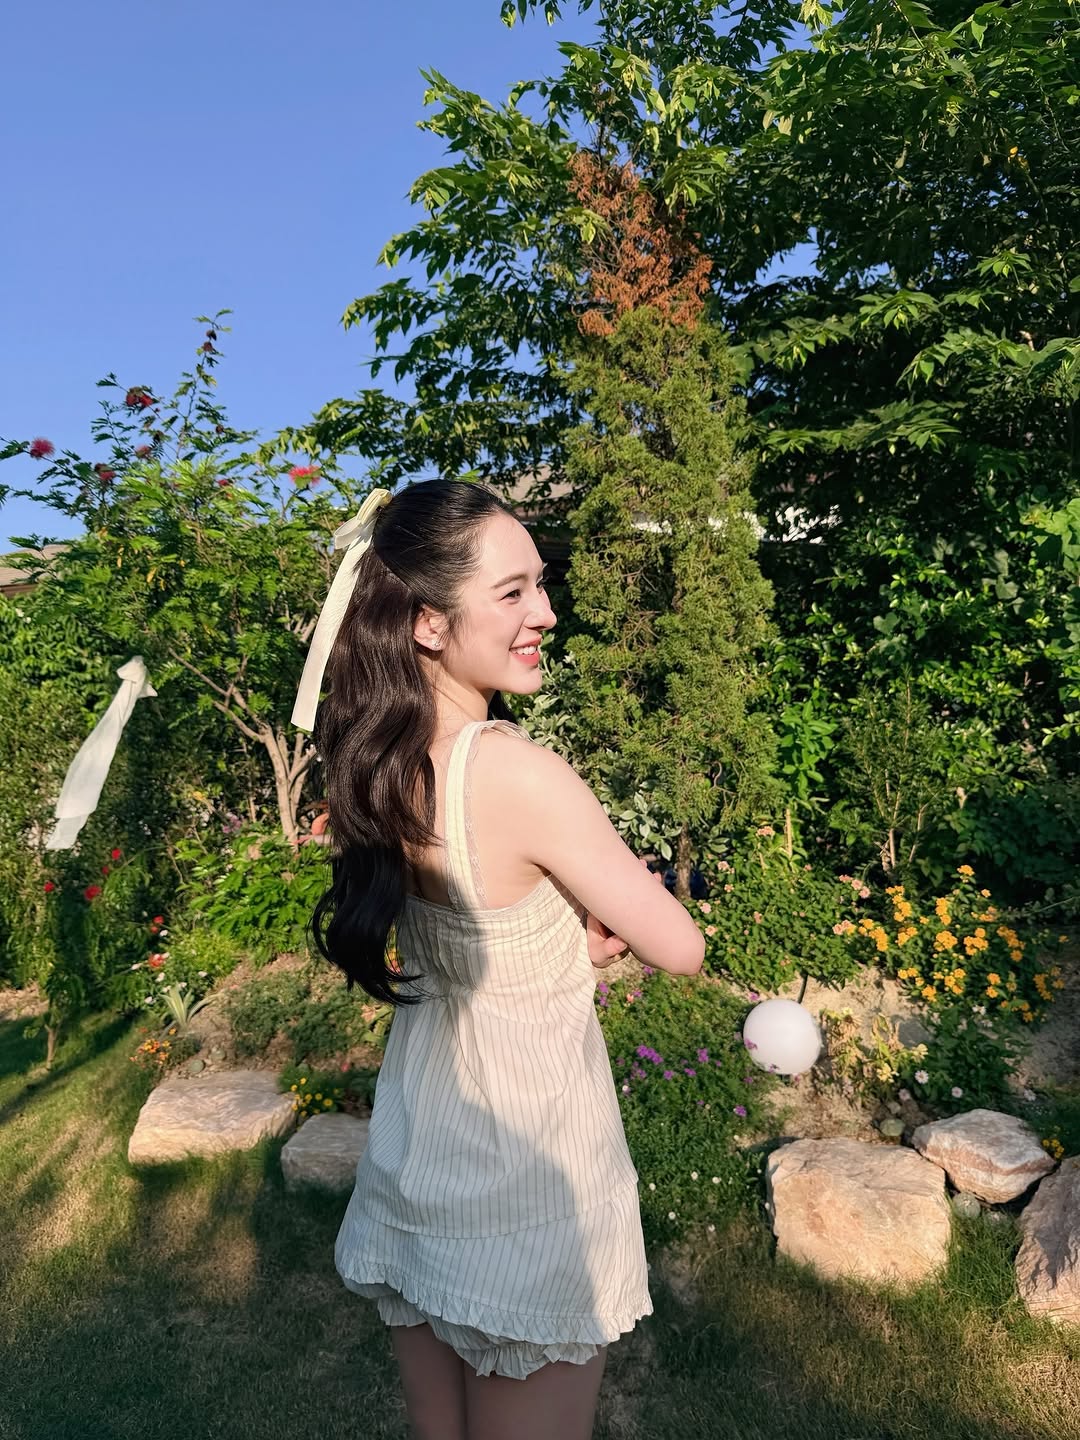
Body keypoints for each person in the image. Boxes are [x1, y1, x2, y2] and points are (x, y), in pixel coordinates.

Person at [298, 478, 704, 1440]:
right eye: (513, 591)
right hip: (527, 1175)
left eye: (540, 584)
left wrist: (569, 934)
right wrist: (619, 904)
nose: (546, 612)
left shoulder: (381, 763)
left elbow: (477, 930)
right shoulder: (517, 770)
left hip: (422, 1147)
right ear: (429, 624)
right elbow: (680, 947)